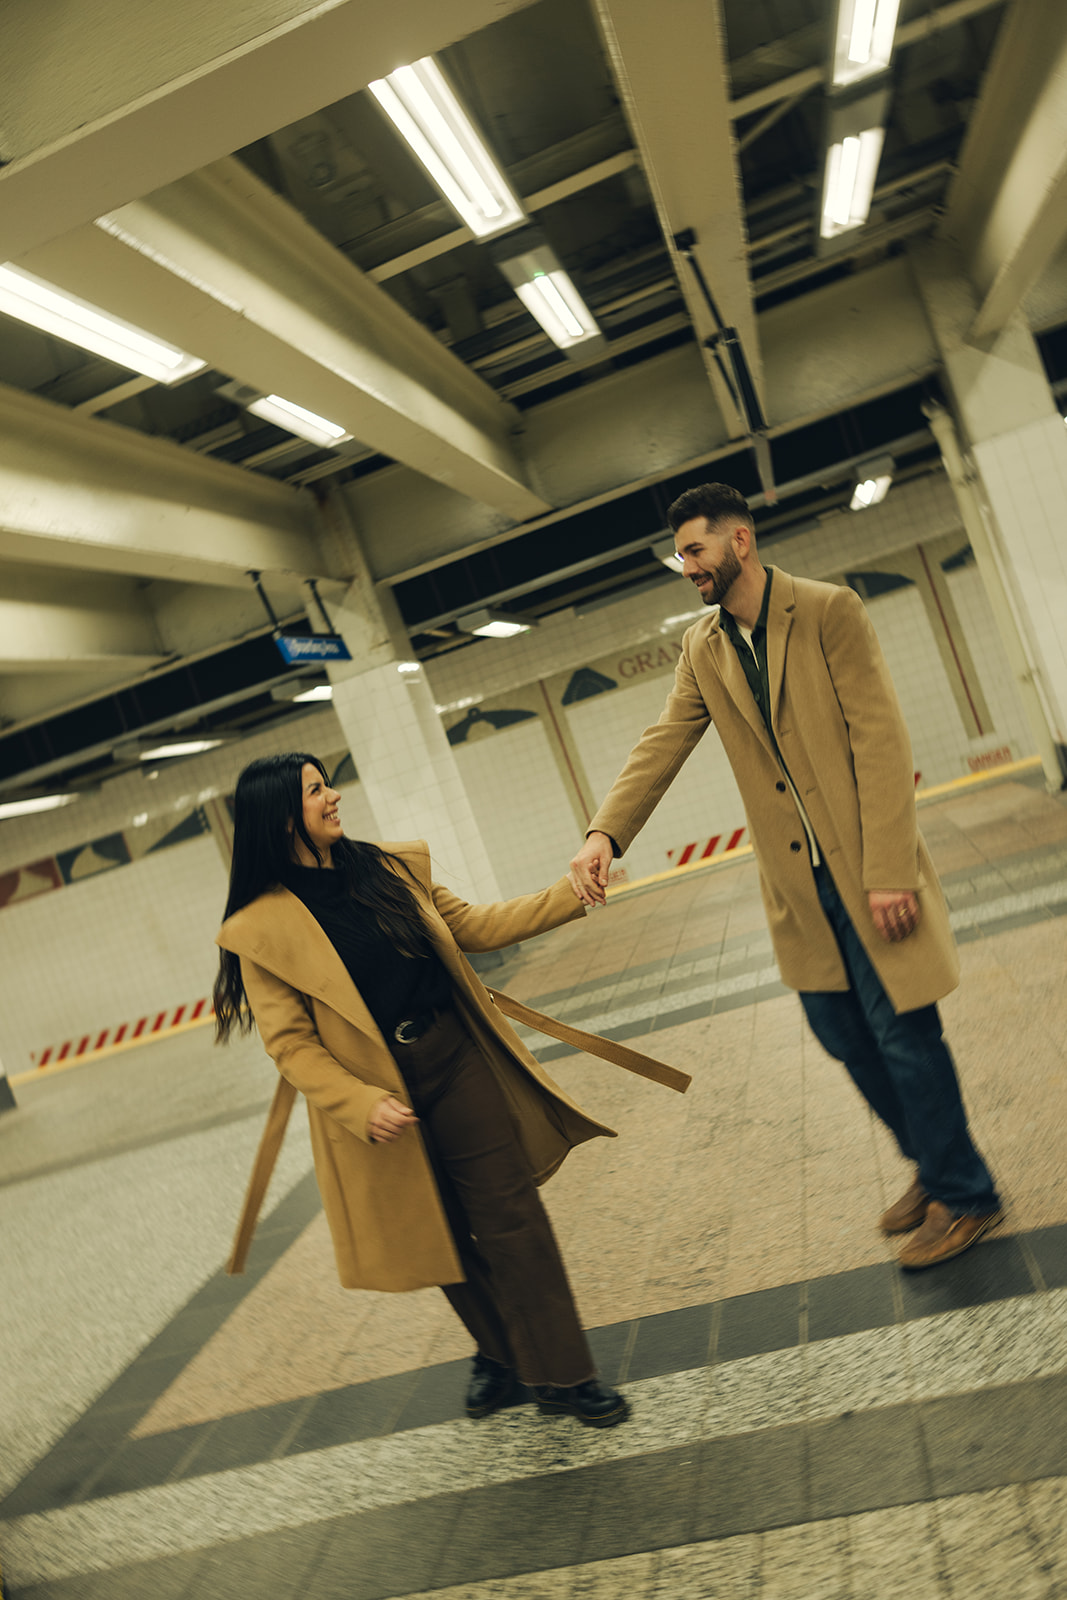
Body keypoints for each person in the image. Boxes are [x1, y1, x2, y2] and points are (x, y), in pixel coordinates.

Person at [569, 483, 1002, 1270]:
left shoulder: (827, 611)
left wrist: (888, 871)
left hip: (865, 871)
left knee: (902, 1035)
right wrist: (605, 831)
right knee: (843, 1036)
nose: (685, 566)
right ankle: (932, 1165)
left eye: (694, 550)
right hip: (797, 890)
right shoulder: (703, 646)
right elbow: (663, 739)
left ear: (739, 541)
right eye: (678, 555)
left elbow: (878, 739)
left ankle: (965, 1194)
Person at [213, 752, 631, 1426]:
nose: (334, 797)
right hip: (379, 1098)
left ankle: (566, 1374)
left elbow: (475, 927)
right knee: (441, 1237)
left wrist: (571, 892)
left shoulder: (386, 868)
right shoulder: (258, 928)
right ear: (282, 816)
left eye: (327, 784)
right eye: (317, 790)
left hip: (451, 1059)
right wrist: (358, 1103)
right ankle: (502, 1358)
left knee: (511, 1219)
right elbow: (290, 1044)